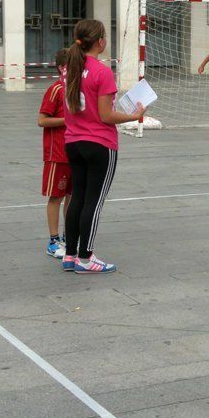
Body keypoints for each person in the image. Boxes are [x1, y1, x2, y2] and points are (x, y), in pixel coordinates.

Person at [62, 20, 146, 274]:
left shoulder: (69, 68)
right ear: (100, 42)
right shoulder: (102, 72)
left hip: (73, 141)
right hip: (99, 143)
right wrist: (135, 115)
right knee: (94, 202)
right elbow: (106, 116)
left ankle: (70, 255)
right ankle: (86, 258)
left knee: (78, 198)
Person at [37, 48, 71, 259]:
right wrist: (66, 121)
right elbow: (42, 120)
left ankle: (69, 236)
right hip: (57, 154)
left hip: (75, 151)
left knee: (72, 197)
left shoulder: (76, 89)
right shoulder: (56, 89)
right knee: (56, 196)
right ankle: (53, 239)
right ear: (62, 68)